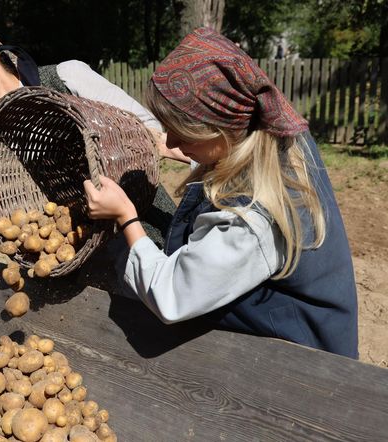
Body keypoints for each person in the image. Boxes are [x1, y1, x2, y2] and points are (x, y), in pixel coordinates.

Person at [83, 27, 358, 358]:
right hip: (301, 322)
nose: (169, 142)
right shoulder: (275, 134)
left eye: (182, 134)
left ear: (221, 131)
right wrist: (184, 149)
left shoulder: (252, 219)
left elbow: (171, 295)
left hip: (301, 358)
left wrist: (126, 217)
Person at [0, 23, 188, 249]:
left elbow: (151, 134)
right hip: (79, 253)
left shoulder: (66, 78)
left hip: (148, 229)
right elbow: (14, 213)